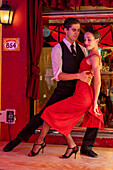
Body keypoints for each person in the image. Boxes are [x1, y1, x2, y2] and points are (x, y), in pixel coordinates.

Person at [3, 18, 98, 157]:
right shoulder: (57, 49)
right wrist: (79, 76)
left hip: (79, 92)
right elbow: (58, 75)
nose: (77, 33)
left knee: (95, 114)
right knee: (42, 115)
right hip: (63, 90)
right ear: (65, 30)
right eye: (73, 30)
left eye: (78, 30)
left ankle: (86, 147)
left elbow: (90, 65)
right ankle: (19, 139)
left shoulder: (83, 49)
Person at [28, 29, 104, 158]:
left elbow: (98, 81)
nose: (86, 42)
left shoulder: (95, 57)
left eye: (89, 39)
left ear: (97, 41)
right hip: (81, 93)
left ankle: (42, 143)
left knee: (49, 112)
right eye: (84, 39)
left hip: (82, 96)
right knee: (51, 114)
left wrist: (95, 102)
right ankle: (69, 146)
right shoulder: (90, 55)